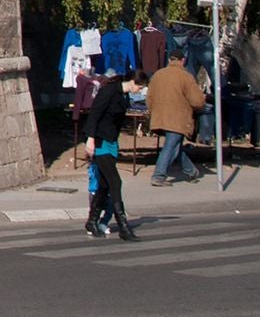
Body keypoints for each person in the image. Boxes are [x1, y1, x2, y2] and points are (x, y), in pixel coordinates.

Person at [81, 68, 138, 241]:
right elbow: (95, 114)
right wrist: (90, 139)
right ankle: (123, 226)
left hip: (111, 142)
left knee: (105, 185)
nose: (140, 91)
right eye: (140, 87)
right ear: (134, 82)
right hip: (100, 142)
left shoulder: (123, 95)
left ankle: (92, 221)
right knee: (115, 181)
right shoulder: (109, 91)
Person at [146, 50, 207, 185]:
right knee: (170, 146)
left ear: (169, 60)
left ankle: (191, 171)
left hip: (159, 116)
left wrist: (153, 112)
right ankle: (158, 175)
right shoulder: (186, 76)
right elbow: (197, 101)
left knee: (175, 146)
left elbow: (149, 97)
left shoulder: (158, 75)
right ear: (183, 60)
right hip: (178, 118)